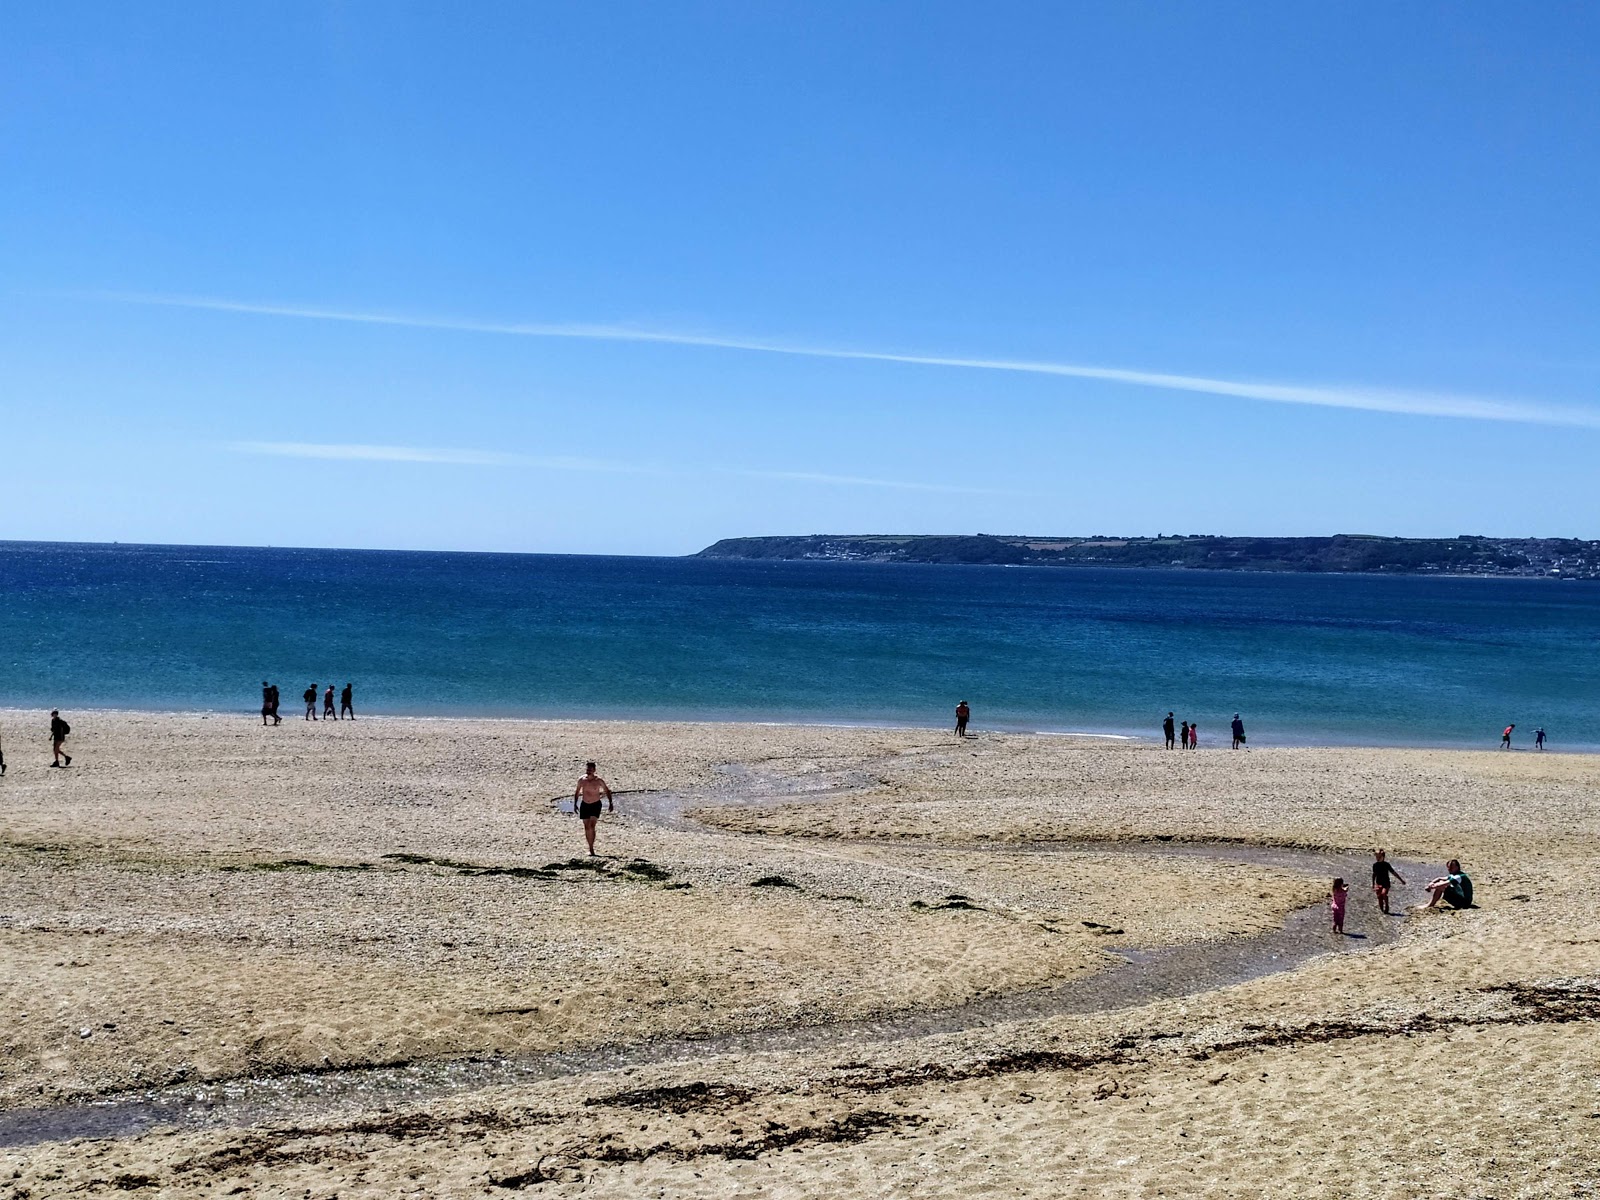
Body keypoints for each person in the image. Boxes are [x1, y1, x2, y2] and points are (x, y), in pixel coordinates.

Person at [573, 761, 614, 856]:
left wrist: (610, 803)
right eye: (587, 769)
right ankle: (590, 847)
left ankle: (592, 849)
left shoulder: (599, 781)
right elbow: (577, 792)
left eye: (590, 770)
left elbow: (607, 791)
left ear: (594, 770)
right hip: (585, 804)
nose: (588, 771)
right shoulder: (582, 780)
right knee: (586, 827)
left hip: (595, 804)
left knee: (592, 826)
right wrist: (575, 804)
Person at [1371, 849, 1406, 915]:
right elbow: (1374, 875)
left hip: (1386, 883)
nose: (1377, 858)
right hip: (1378, 883)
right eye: (1376, 857)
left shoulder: (1386, 865)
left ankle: (1386, 905)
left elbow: (1393, 873)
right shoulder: (1375, 865)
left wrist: (1401, 880)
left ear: (1383, 857)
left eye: (1379, 857)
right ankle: (1382, 910)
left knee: (1384, 893)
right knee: (1379, 896)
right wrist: (1373, 884)